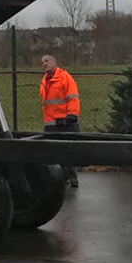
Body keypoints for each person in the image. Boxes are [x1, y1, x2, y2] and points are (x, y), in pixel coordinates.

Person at [40, 54, 81, 187]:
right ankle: (59, 179)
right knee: (53, 153)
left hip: (66, 122)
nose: (44, 64)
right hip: (51, 123)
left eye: (47, 61)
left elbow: (73, 96)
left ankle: (72, 177)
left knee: (69, 151)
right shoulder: (44, 81)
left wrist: (72, 114)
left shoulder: (64, 77)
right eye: (43, 62)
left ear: (54, 62)